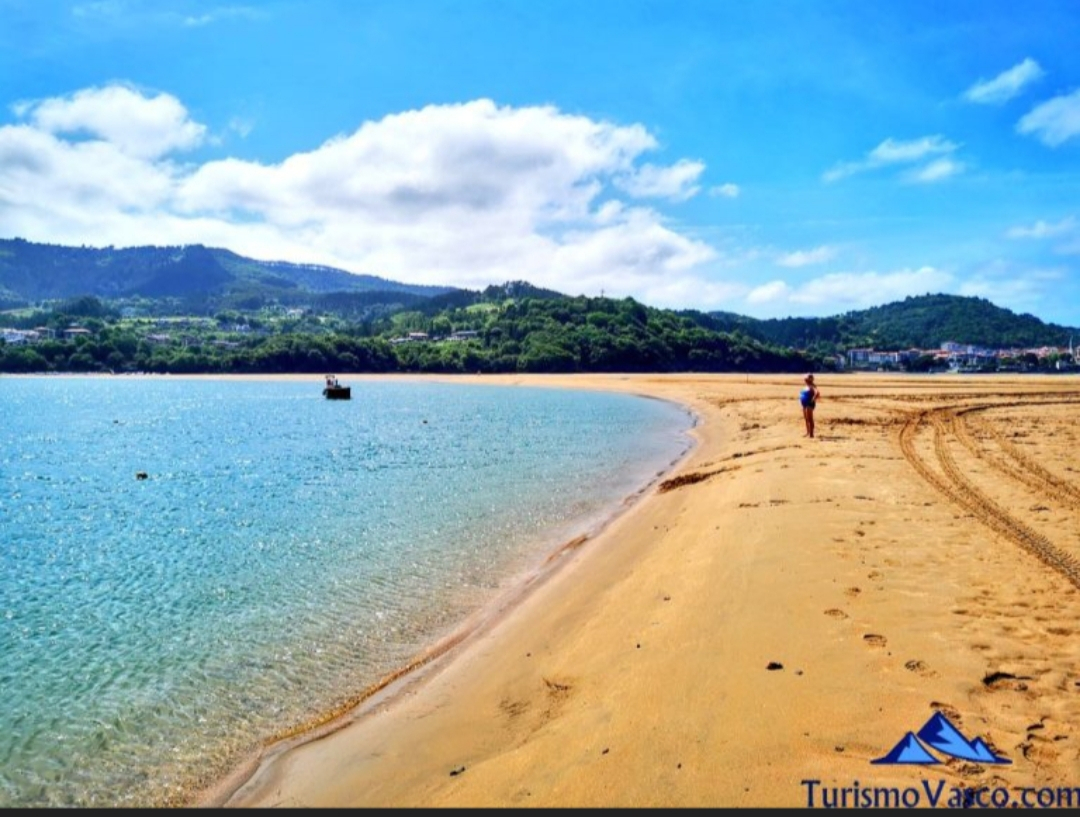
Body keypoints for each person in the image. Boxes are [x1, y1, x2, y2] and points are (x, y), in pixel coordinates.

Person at [800, 373, 821, 438]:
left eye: (807, 378)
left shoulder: (812, 386)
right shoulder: (806, 386)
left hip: (809, 404)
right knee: (806, 419)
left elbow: (817, 393)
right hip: (804, 404)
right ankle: (808, 432)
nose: (805, 379)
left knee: (810, 419)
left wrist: (813, 399)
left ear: (810, 379)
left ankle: (811, 434)